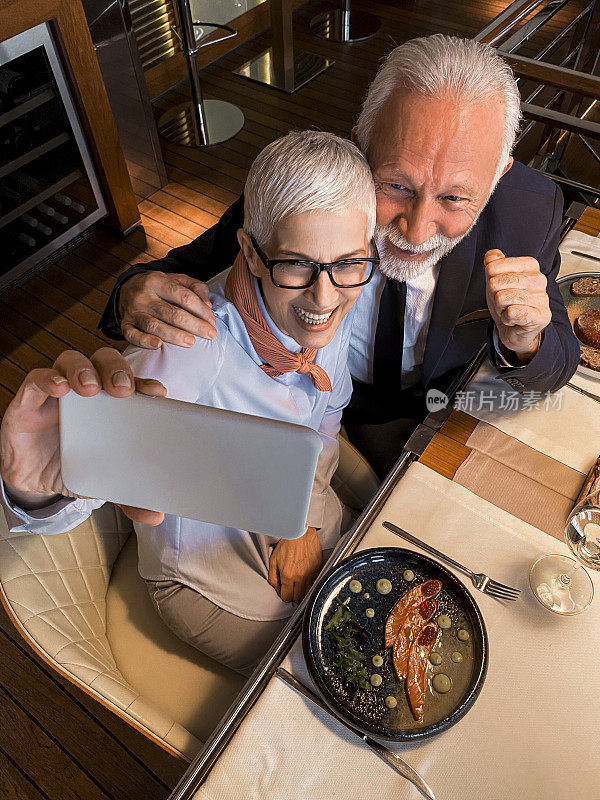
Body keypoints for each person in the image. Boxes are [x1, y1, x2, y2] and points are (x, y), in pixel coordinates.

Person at [98, 35, 580, 477]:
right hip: (326, 421)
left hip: (454, 414)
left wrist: (525, 340)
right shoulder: (301, 201)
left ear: (497, 178)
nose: (415, 229)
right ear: (359, 145)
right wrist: (130, 296)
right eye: (395, 185)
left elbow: (558, 362)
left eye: (454, 199)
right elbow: (169, 276)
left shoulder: (530, 213)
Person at [0, 131, 378, 675]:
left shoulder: (339, 305)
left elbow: (326, 417)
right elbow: (78, 474)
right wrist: (28, 492)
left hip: (293, 507)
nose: (323, 297)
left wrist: (306, 523)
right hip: (201, 564)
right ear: (247, 249)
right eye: (295, 265)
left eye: (347, 263)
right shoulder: (191, 343)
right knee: (318, 670)